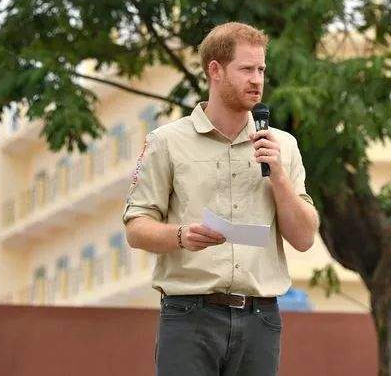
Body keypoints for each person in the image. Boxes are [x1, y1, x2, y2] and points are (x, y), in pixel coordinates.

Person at [123, 22, 319, 376]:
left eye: (261, 69)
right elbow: (136, 228)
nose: (257, 79)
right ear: (215, 70)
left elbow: (304, 238)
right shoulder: (166, 142)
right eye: (246, 69)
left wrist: (278, 175)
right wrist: (181, 236)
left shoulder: (282, 145)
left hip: (261, 319)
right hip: (189, 316)